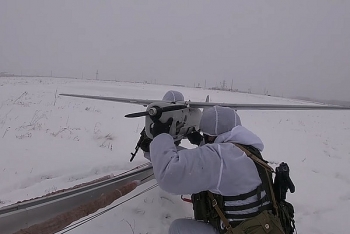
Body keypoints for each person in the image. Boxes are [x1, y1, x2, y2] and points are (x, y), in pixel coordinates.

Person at [146, 105, 284, 234]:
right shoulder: (246, 150)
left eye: (206, 134)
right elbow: (214, 163)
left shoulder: (220, 157)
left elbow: (169, 175)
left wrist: (160, 138)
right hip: (260, 227)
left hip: (240, 230)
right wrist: (200, 142)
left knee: (178, 228)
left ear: (212, 134)